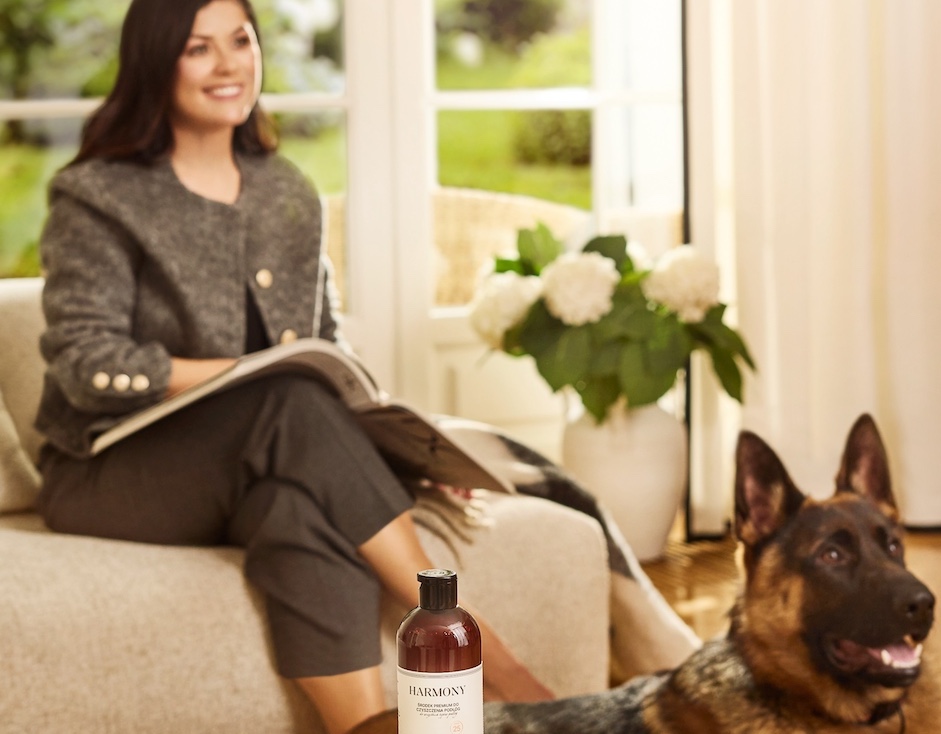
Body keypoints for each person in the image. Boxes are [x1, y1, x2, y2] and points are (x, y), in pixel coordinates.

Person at [32, 0, 553, 731]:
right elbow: (86, 362)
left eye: (240, 41)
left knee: (297, 508)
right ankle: (493, 659)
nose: (228, 64)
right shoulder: (97, 195)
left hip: (262, 459)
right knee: (288, 399)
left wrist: (395, 454)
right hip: (106, 472)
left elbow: (327, 351)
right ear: (156, 62)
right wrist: (246, 376)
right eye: (198, 48)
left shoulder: (287, 191)